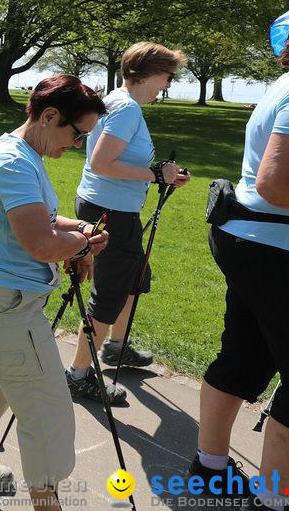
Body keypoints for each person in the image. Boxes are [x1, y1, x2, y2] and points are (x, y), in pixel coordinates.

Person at [191, 0, 289, 508]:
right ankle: (272, 500)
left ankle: (209, 468)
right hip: (276, 248)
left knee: (246, 355)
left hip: (258, 242)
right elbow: (279, 184)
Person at [0, 75, 109, 510]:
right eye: (77, 134)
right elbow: (41, 244)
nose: (77, 145)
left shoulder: (21, 155)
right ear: (49, 115)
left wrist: (78, 229)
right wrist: (82, 244)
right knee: (47, 413)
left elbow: (44, 221)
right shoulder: (14, 164)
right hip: (10, 305)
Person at [66, 42, 192, 404]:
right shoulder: (126, 109)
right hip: (110, 213)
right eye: (167, 76)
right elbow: (102, 163)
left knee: (134, 279)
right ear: (148, 73)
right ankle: (77, 374)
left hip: (112, 208)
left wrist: (162, 176)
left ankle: (117, 347)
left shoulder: (118, 103)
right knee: (108, 293)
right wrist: (155, 175)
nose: (167, 84)